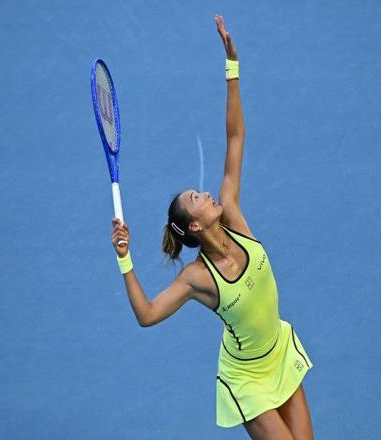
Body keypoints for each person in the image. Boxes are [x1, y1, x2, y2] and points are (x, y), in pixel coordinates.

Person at [111, 14, 314, 440]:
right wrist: (125, 260)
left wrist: (232, 66)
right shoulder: (197, 278)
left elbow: (235, 138)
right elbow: (147, 315)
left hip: (278, 351)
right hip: (246, 379)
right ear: (196, 225)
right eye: (196, 198)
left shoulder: (233, 214)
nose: (206, 194)